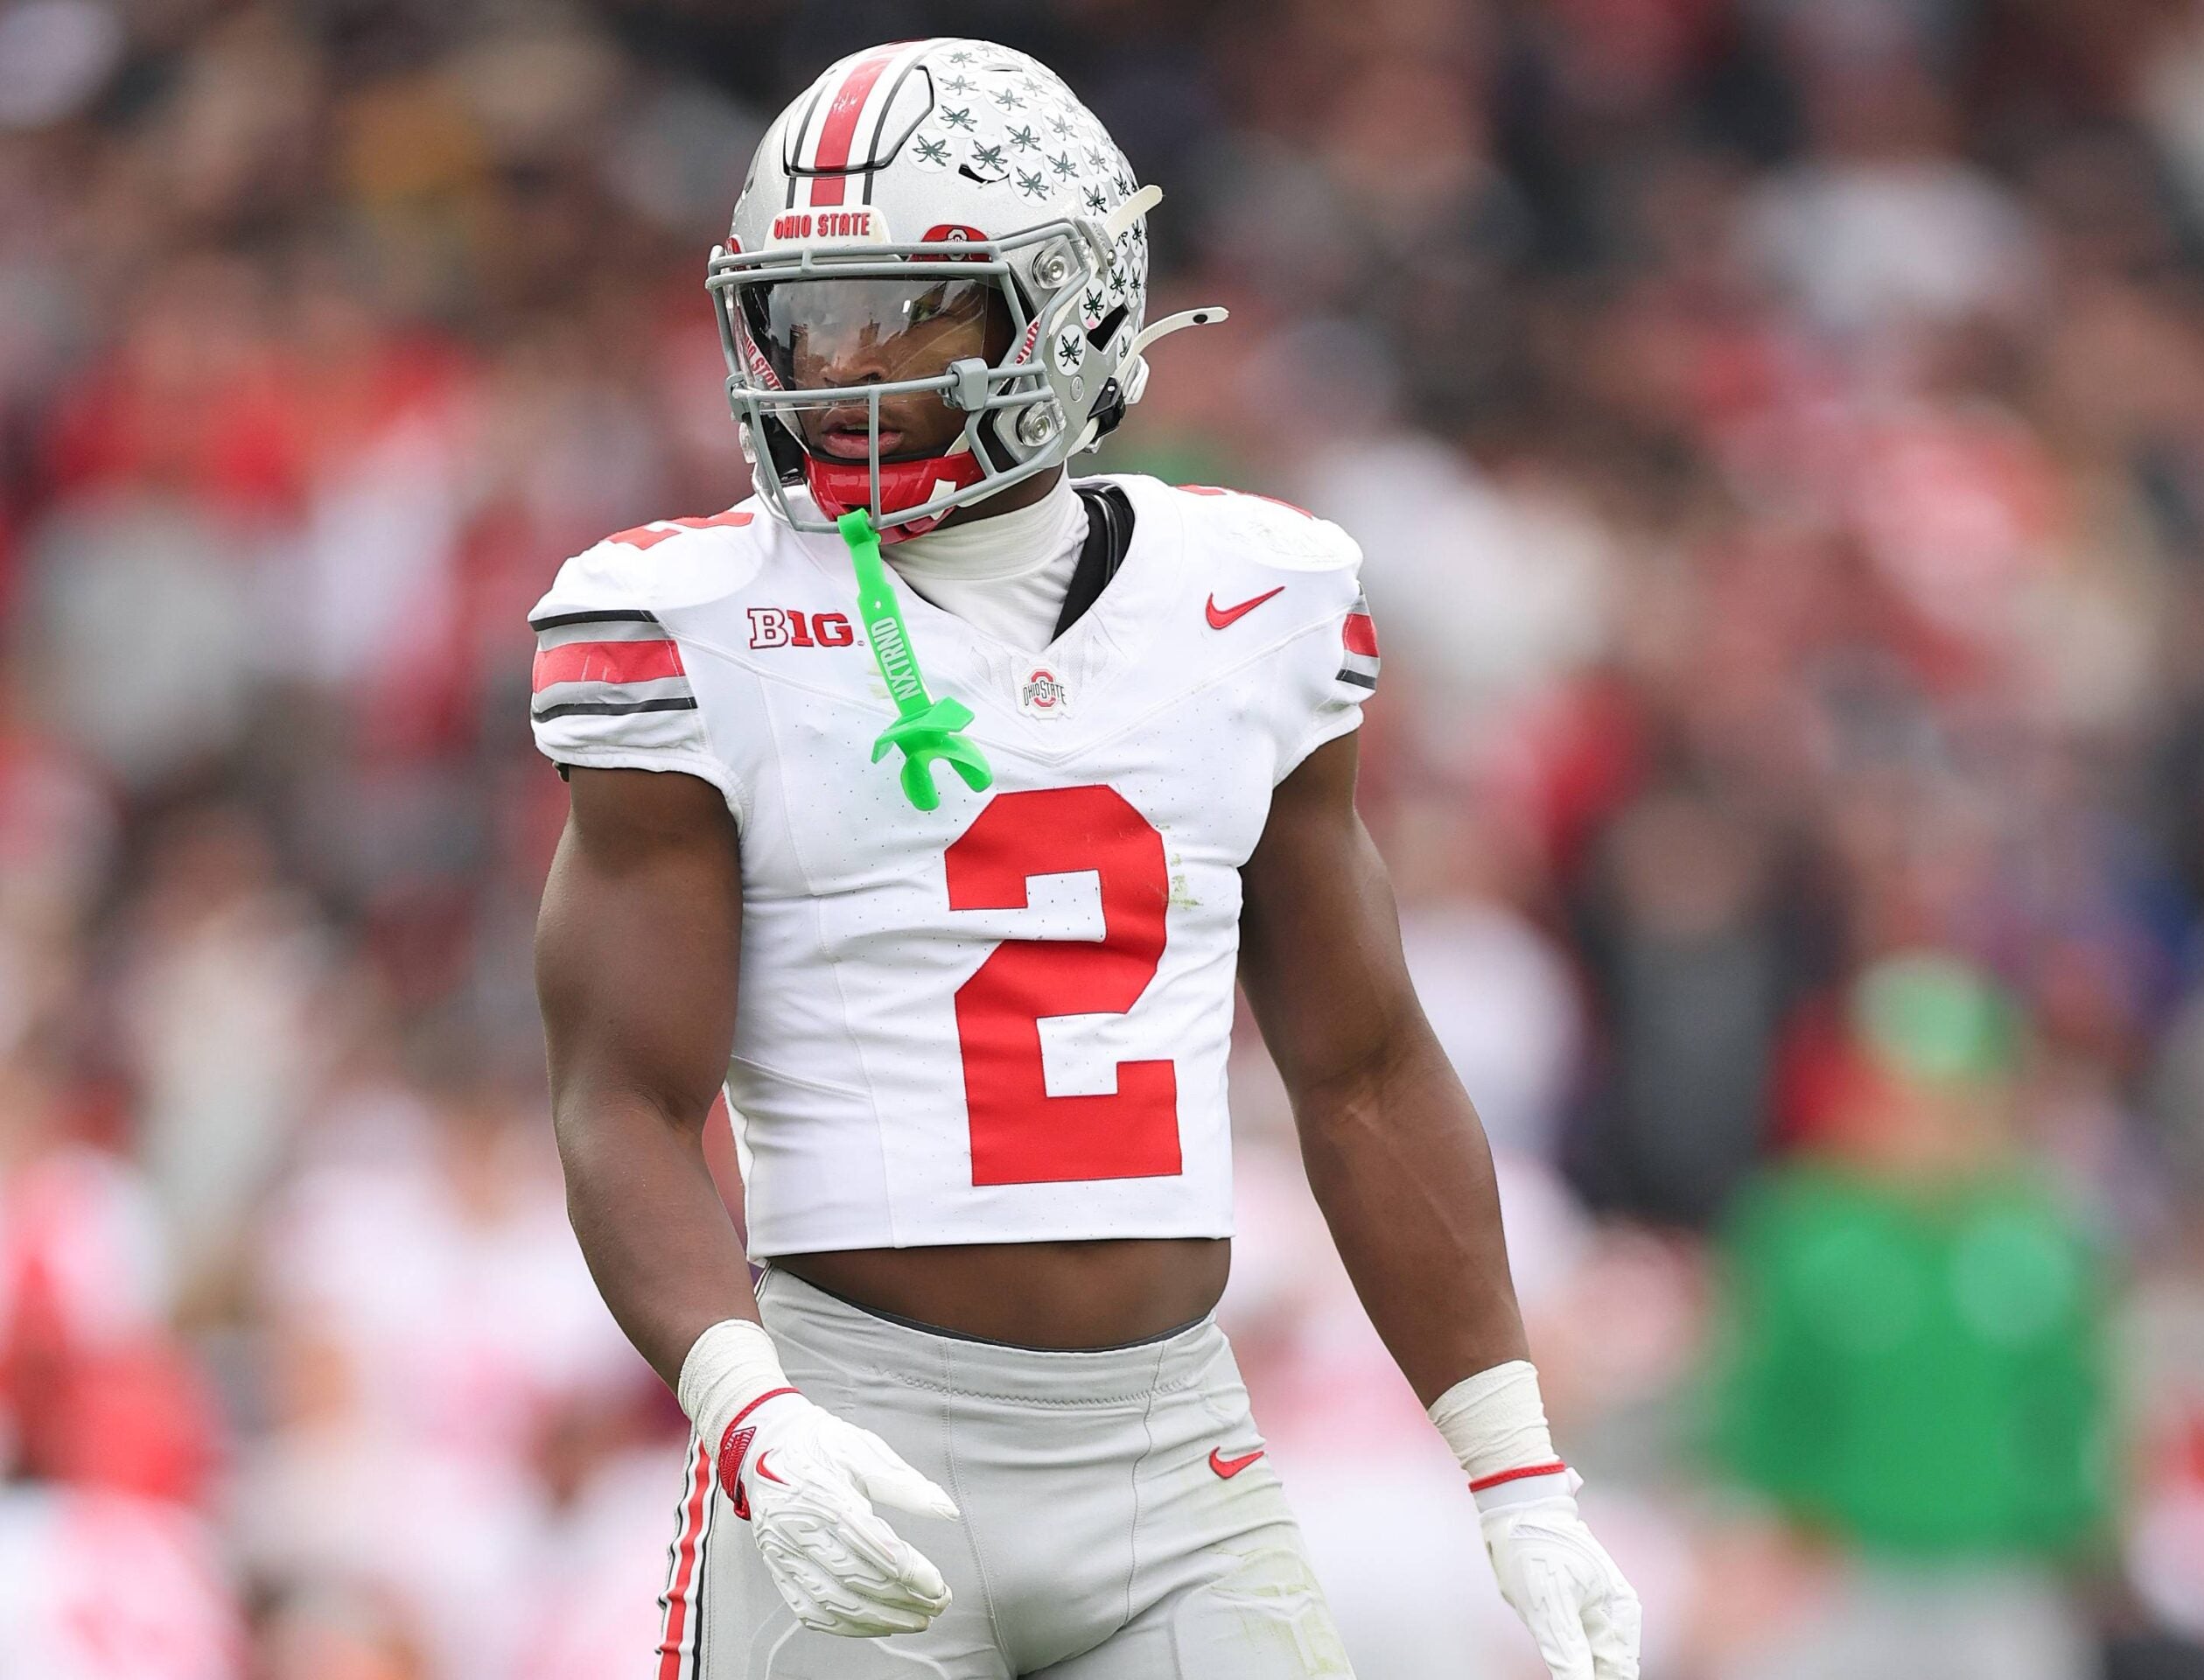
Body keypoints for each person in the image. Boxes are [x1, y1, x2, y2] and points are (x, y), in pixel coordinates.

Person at [529, 37, 1638, 1680]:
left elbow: (1364, 1067)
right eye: (803, 311)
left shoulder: (1258, 597)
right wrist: (743, 1404)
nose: (834, 364)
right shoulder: (688, 625)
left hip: (1175, 1458)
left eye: (903, 307)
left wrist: (1515, 1464)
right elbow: (620, 1099)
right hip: (856, 1425)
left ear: (1075, 305)